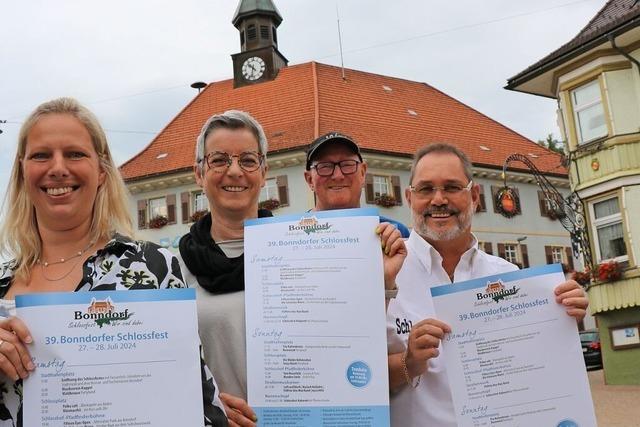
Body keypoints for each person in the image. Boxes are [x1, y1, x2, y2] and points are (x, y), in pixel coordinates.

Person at [0, 97, 227, 426]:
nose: (58, 167)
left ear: (102, 170)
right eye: (41, 155)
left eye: (75, 153)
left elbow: (198, 403)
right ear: (23, 170)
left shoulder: (153, 267)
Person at [180, 112, 405, 427]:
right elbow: (166, 373)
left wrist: (380, 282)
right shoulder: (173, 269)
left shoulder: (301, 248)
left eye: (247, 160)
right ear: (198, 173)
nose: (234, 172)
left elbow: (347, 337)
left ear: (263, 172)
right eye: (219, 160)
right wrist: (207, 407)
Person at [385, 143, 589, 427]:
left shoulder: (508, 275)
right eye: (426, 189)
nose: (439, 199)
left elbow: (535, 366)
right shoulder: (385, 272)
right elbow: (356, 376)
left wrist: (562, 318)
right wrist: (410, 362)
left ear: (475, 196)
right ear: (409, 197)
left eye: (452, 187)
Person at [303, 132, 411, 237]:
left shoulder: (397, 234)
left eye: (347, 164)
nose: (338, 176)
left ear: (363, 173)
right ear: (310, 179)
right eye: (325, 166)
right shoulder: (290, 237)